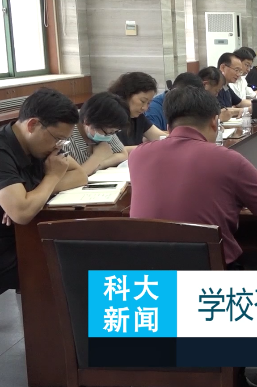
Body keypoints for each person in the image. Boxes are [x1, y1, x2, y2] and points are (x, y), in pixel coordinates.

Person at [128, 86, 257, 268]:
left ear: (168, 126)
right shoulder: (228, 159)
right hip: (210, 269)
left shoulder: (138, 155)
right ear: (214, 122)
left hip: (146, 270)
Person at [0, 89, 88, 294]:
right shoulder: (3, 151)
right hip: (7, 248)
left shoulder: (42, 145)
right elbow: (22, 212)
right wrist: (52, 177)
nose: (59, 146)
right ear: (33, 125)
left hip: (20, 236)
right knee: (71, 267)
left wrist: (30, 193)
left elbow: (79, 175)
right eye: (57, 138)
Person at [68, 92, 130, 175]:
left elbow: (122, 154)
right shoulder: (66, 134)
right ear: (87, 121)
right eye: (107, 132)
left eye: (114, 132)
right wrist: (97, 157)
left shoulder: (107, 129)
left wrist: (100, 164)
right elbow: (73, 177)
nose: (110, 136)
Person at [108, 72, 168, 150]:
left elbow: (160, 137)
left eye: (148, 103)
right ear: (127, 94)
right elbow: (112, 150)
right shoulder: (108, 117)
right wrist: (145, 148)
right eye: (143, 101)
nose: (145, 108)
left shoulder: (138, 118)